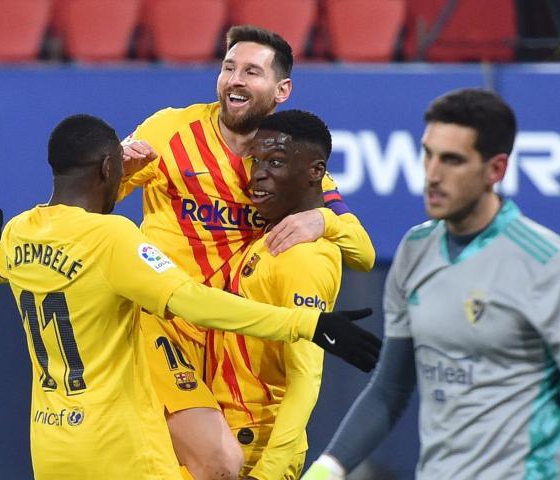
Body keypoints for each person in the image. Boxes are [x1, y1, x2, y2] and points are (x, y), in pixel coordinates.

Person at [0, 114, 381, 480]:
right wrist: (308, 323)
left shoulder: (19, 232)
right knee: (223, 464)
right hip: (119, 449)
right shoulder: (113, 238)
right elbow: (190, 299)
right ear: (110, 167)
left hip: (51, 448)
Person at [302, 88, 560, 479]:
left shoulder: (555, 268)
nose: (432, 174)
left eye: (452, 160)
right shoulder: (415, 250)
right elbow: (390, 389)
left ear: (495, 170)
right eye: (428, 154)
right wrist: (328, 468)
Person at [119, 25, 375, 479]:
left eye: (251, 72)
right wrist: (118, 170)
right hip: (166, 327)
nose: (235, 79)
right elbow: (97, 198)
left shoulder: (286, 163)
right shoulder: (169, 131)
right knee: (219, 463)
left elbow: (365, 252)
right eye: (228, 68)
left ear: (281, 90)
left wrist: (323, 220)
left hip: (234, 340)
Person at [207, 110, 341, 479]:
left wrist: (267, 473)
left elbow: (306, 377)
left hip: (254, 449)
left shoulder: (305, 258)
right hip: (222, 436)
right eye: (257, 161)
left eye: (276, 162)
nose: (259, 174)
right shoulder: (269, 236)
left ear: (315, 172)